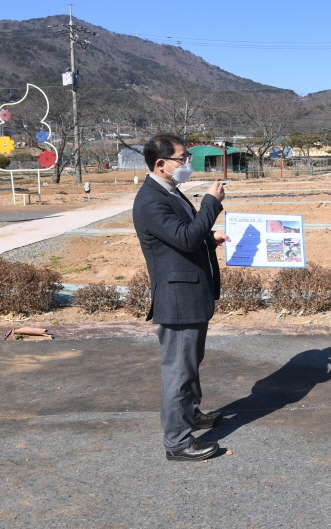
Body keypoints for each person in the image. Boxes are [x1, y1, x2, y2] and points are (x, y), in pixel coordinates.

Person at [132, 134, 231, 462]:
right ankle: (177, 441)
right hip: (177, 299)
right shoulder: (150, 200)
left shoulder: (167, 191)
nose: (187, 164)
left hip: (190, 295)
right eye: (182, 158)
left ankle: (189, 413)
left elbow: (183, 237)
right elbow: (186, 239)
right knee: (178, 370)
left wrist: (210, 236)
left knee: (190, 364)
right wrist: (210, 205)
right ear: (160, 164)